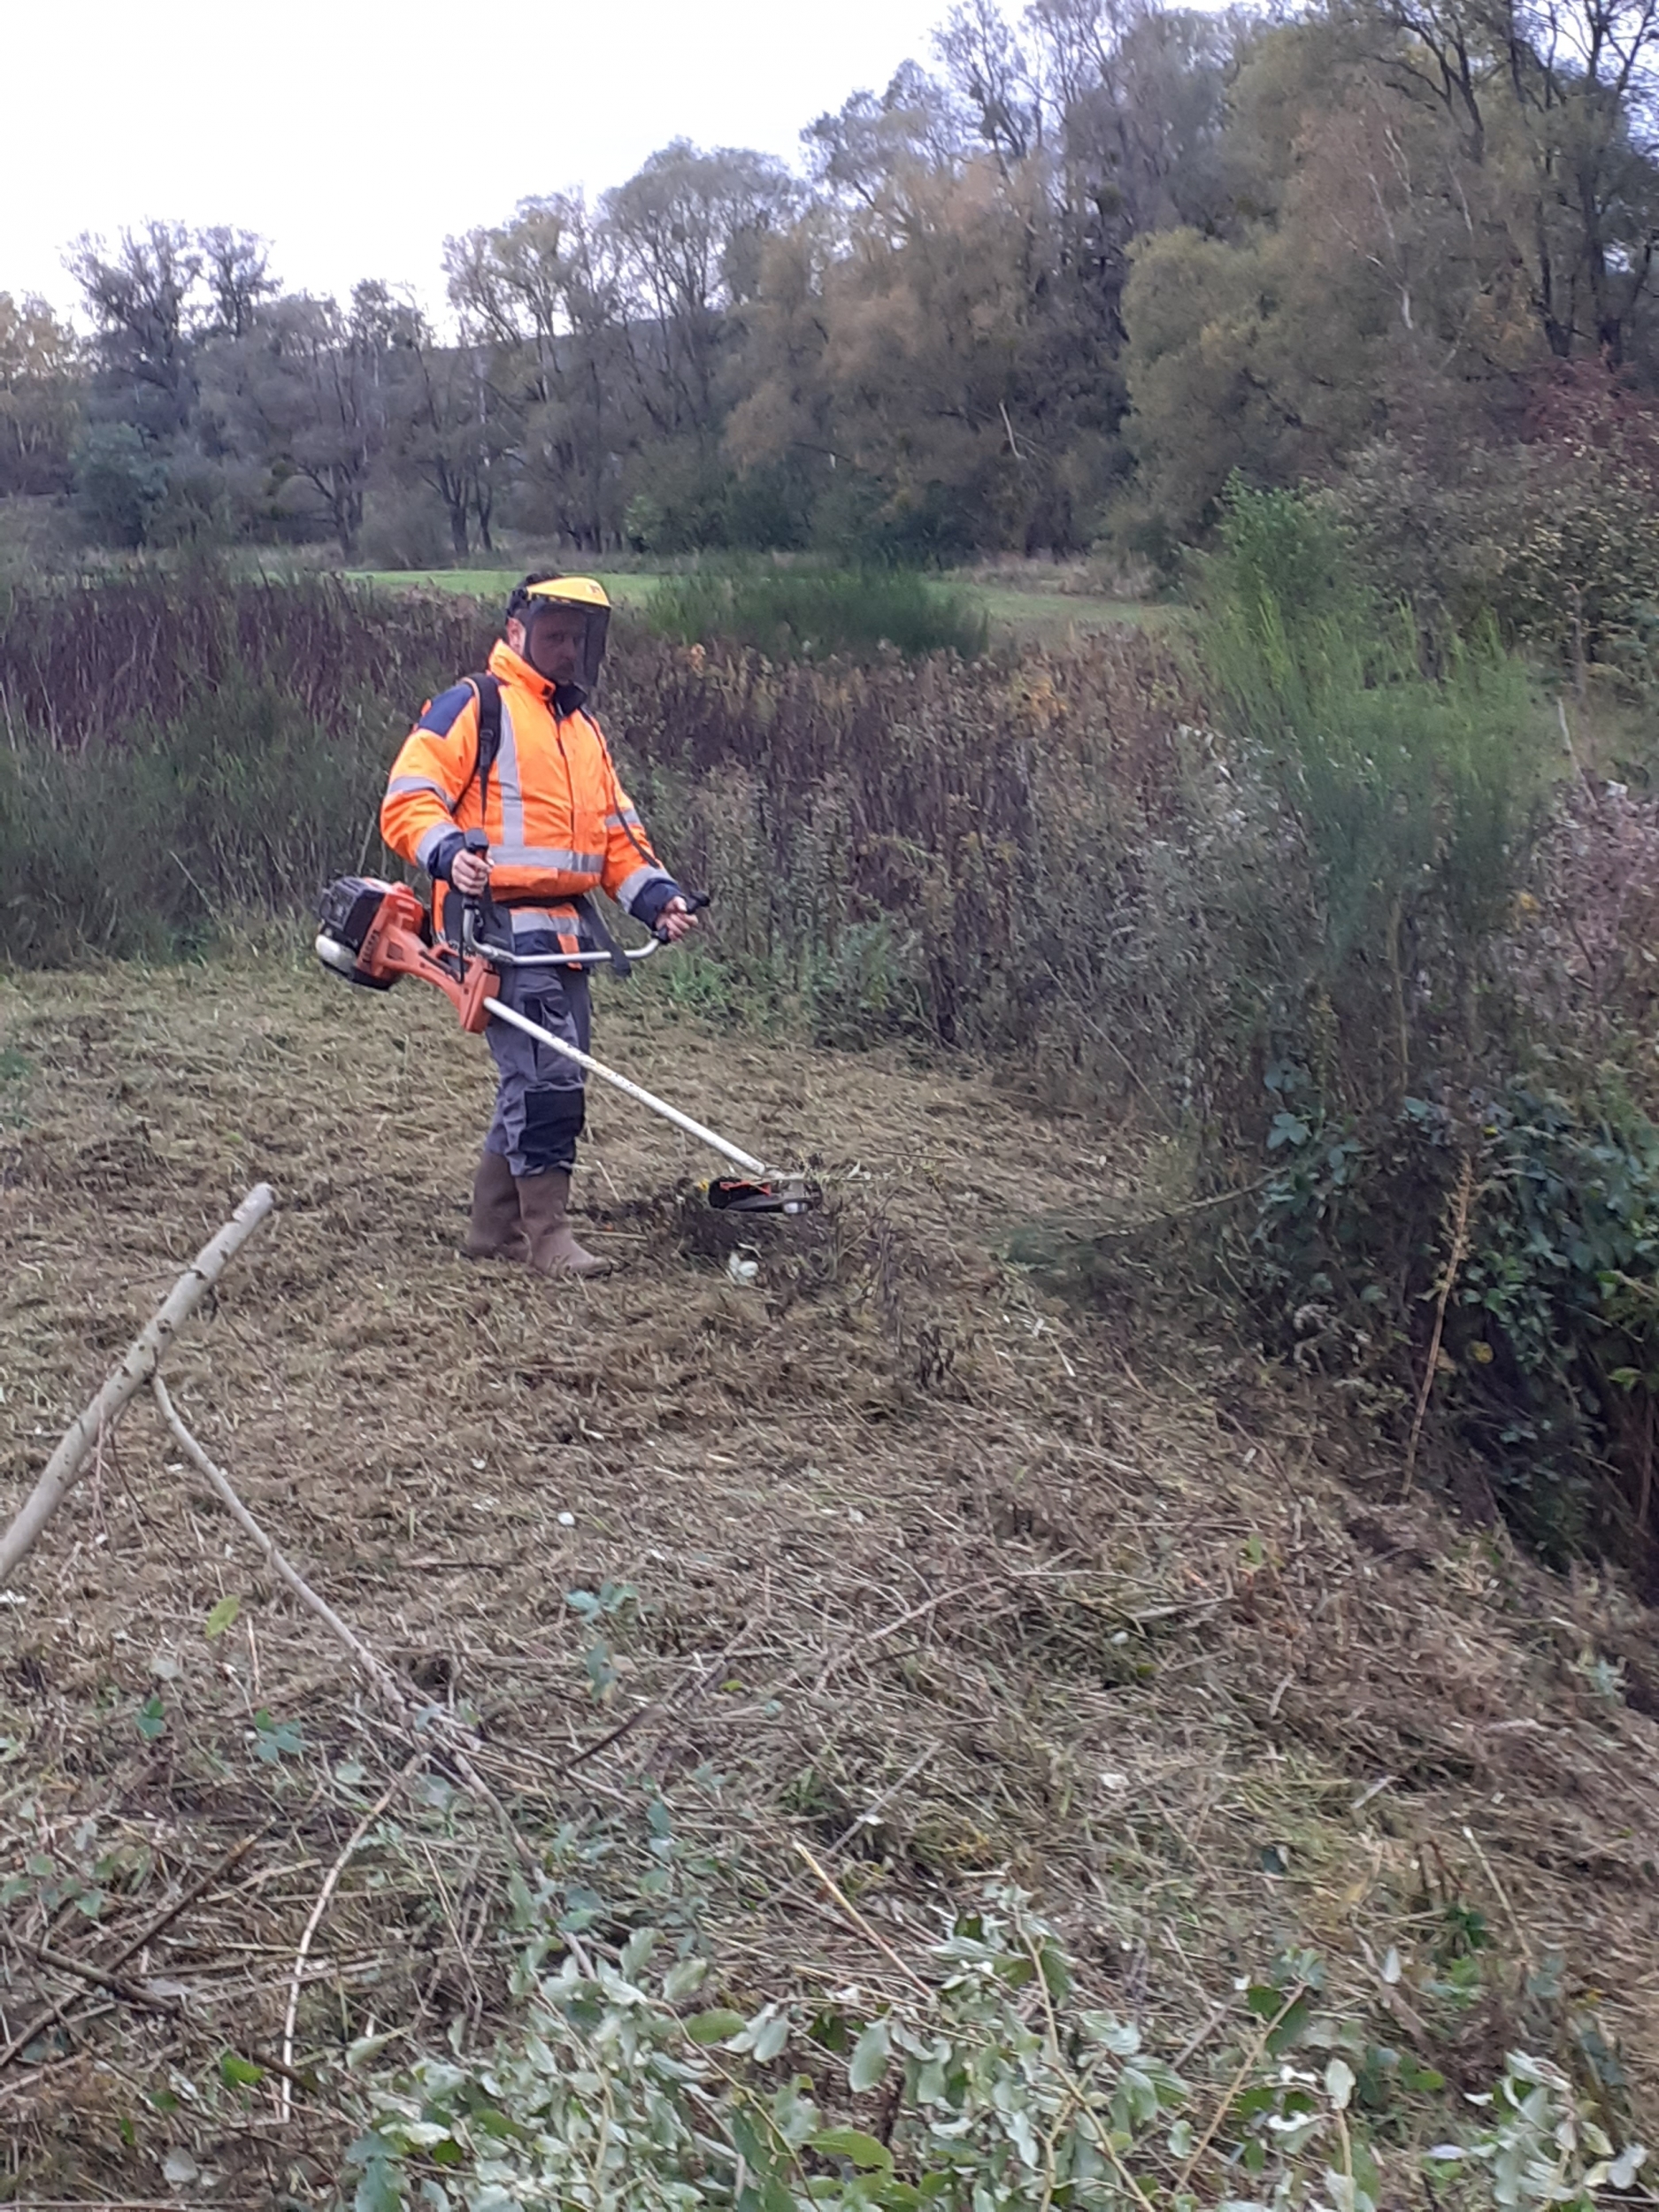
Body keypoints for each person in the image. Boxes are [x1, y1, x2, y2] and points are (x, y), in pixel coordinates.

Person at [380, 574, 696, 1278]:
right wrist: (449, 853)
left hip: (568, 937)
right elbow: (408, 796)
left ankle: (493, 1230)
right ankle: (547, 1234)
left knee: (536, 1076)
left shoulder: (579, 730)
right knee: (547, 1080)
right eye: (553, 635)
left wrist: (658, 899)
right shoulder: (474, 705)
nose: (566, 650)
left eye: (576, 639)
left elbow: (617, 838)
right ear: (517, 633)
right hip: (493, 929)